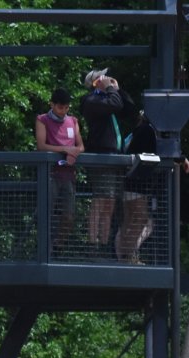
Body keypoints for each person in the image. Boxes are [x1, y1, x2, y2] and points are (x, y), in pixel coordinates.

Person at [118, 111, 189, 264]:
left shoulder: (141, 130)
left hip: (131, 182)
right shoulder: (147, 131)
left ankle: (123, 257)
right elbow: (163, 151)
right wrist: (180, 158)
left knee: (130, 220)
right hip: (137, 183)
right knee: (140, 219)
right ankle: (127, 257)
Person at [79, 67, 131, 253]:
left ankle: (103, 244)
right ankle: (93, 244)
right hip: (101, 156)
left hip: (115, 156)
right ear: (96, 82)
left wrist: (118, 88)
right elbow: (115, 105)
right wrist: (110, 89)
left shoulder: (109, 98)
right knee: (100, 200)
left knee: (110, 201)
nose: (108, 78)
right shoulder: (91, 101)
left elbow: (127, 107)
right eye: (104, 77)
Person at [34, 87, 83, 257]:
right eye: (60, 107)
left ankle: (58, 246)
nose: (64, 111)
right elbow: (41, 146)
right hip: (50, 175)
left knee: (69, 216)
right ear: (52, 105)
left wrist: (74, 153)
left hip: (68, 175)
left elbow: (81, 146)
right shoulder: (42, 120)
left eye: (66, 107)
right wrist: (65, 149)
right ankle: (44, 250)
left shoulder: (73, 121)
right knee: (46, 213)